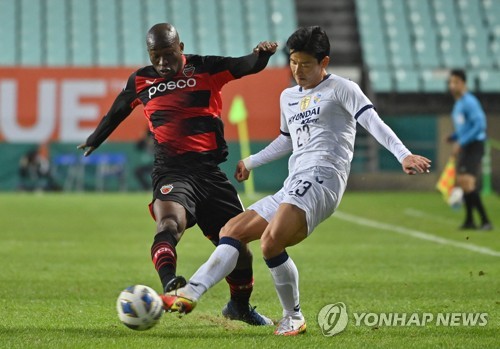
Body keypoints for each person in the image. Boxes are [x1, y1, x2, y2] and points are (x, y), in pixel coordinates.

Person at [162, 26, 432, 335]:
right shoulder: (288, 96)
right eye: (293, 62)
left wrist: (404, 155)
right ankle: (190, 293)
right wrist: (250, 161)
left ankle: (293, 316)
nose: (297, 70)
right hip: (295, 180)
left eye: (305, 63)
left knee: (270, 242)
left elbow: (373, 122)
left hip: (324, 177)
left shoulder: (343, 88)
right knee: (232, 230)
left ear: (324, 62)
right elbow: (286, 140)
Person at [78, 23, 278, 325]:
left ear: (180, 48)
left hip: (210, 173)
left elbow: (243, 66)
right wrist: (95, 138)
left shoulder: (205, 67)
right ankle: (170, 282)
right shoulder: (141, 80)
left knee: (240, 251)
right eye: (156, 56)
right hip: (172, 171)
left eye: (168, 54)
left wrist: (260, 56)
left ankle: (239, 306)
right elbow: (118, 109)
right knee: (170, 223)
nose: (162, 63)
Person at [447, 69, 492, 231]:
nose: (452, 85)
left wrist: (461, 141)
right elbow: (464, 126)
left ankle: (486, 221)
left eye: (456, 82)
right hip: (466, 145)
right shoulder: (458, 103)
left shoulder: (469, 102)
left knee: (467, 181)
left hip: (475, 144)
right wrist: (453, 137)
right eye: (451, 82)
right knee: (462, 182)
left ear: (463, 83)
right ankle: (469, 221)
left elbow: (480, 125)